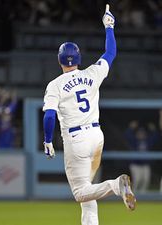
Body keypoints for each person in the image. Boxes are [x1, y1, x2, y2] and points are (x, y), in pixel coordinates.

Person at [42, 5, 136, 225]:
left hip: (76, 141)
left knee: (80, 193)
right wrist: (109, 27)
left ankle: (115, 185)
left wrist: (47, 140)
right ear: (78, 59)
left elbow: (49, 116)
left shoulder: (55, 85)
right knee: (89, 192)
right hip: (96, 136)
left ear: (59, 60)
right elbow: (110, 53)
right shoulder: (92, 73)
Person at [125, 121, 158, 193]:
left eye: (143, 133)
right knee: (137, 180)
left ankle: (143, 195)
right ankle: (133, 193)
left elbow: (155, 137)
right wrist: (131, 128)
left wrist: (153, 130)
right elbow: (127, 135)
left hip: (145, 164)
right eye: (139, 133)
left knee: (146, 180)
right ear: (136, 134)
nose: (141, 134)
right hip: (135, 164)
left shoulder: (147, 141)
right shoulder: (134, 141)